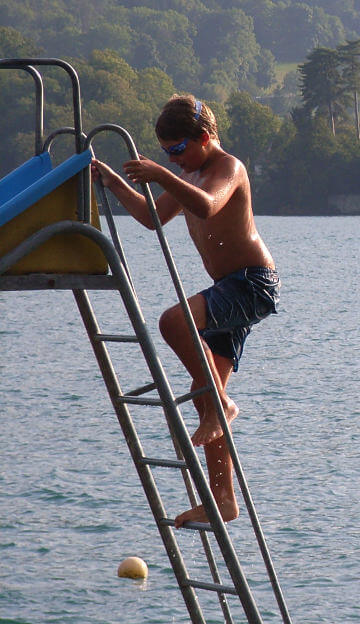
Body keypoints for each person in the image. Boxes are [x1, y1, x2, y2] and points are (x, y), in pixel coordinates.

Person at [91, 94, 280, 526]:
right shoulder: (188, 173)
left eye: (178, 150)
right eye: (166, 153)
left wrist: (159, 174)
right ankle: (222, 502)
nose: (175, 159)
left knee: (172, 322)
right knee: (203, 402)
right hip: (227, 288)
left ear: (206, 137)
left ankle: (223, 405)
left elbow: (208, 204)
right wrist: (113, 182)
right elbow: (152, 217)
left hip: (253, 283)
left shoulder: (227, 169)